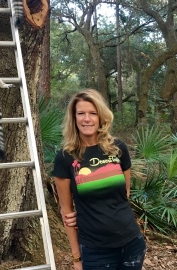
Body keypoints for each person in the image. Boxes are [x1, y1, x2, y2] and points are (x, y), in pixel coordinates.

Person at [53, 89, 146, 270]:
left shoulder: (117, 148)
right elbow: (67, 212)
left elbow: (124, 193)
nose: (87, 119)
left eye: (92, 113)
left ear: (101, 117)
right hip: (96, 250)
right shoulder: (65, 158)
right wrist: (76, 258)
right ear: (74, 118)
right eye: (81, 113)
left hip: (132, 243)